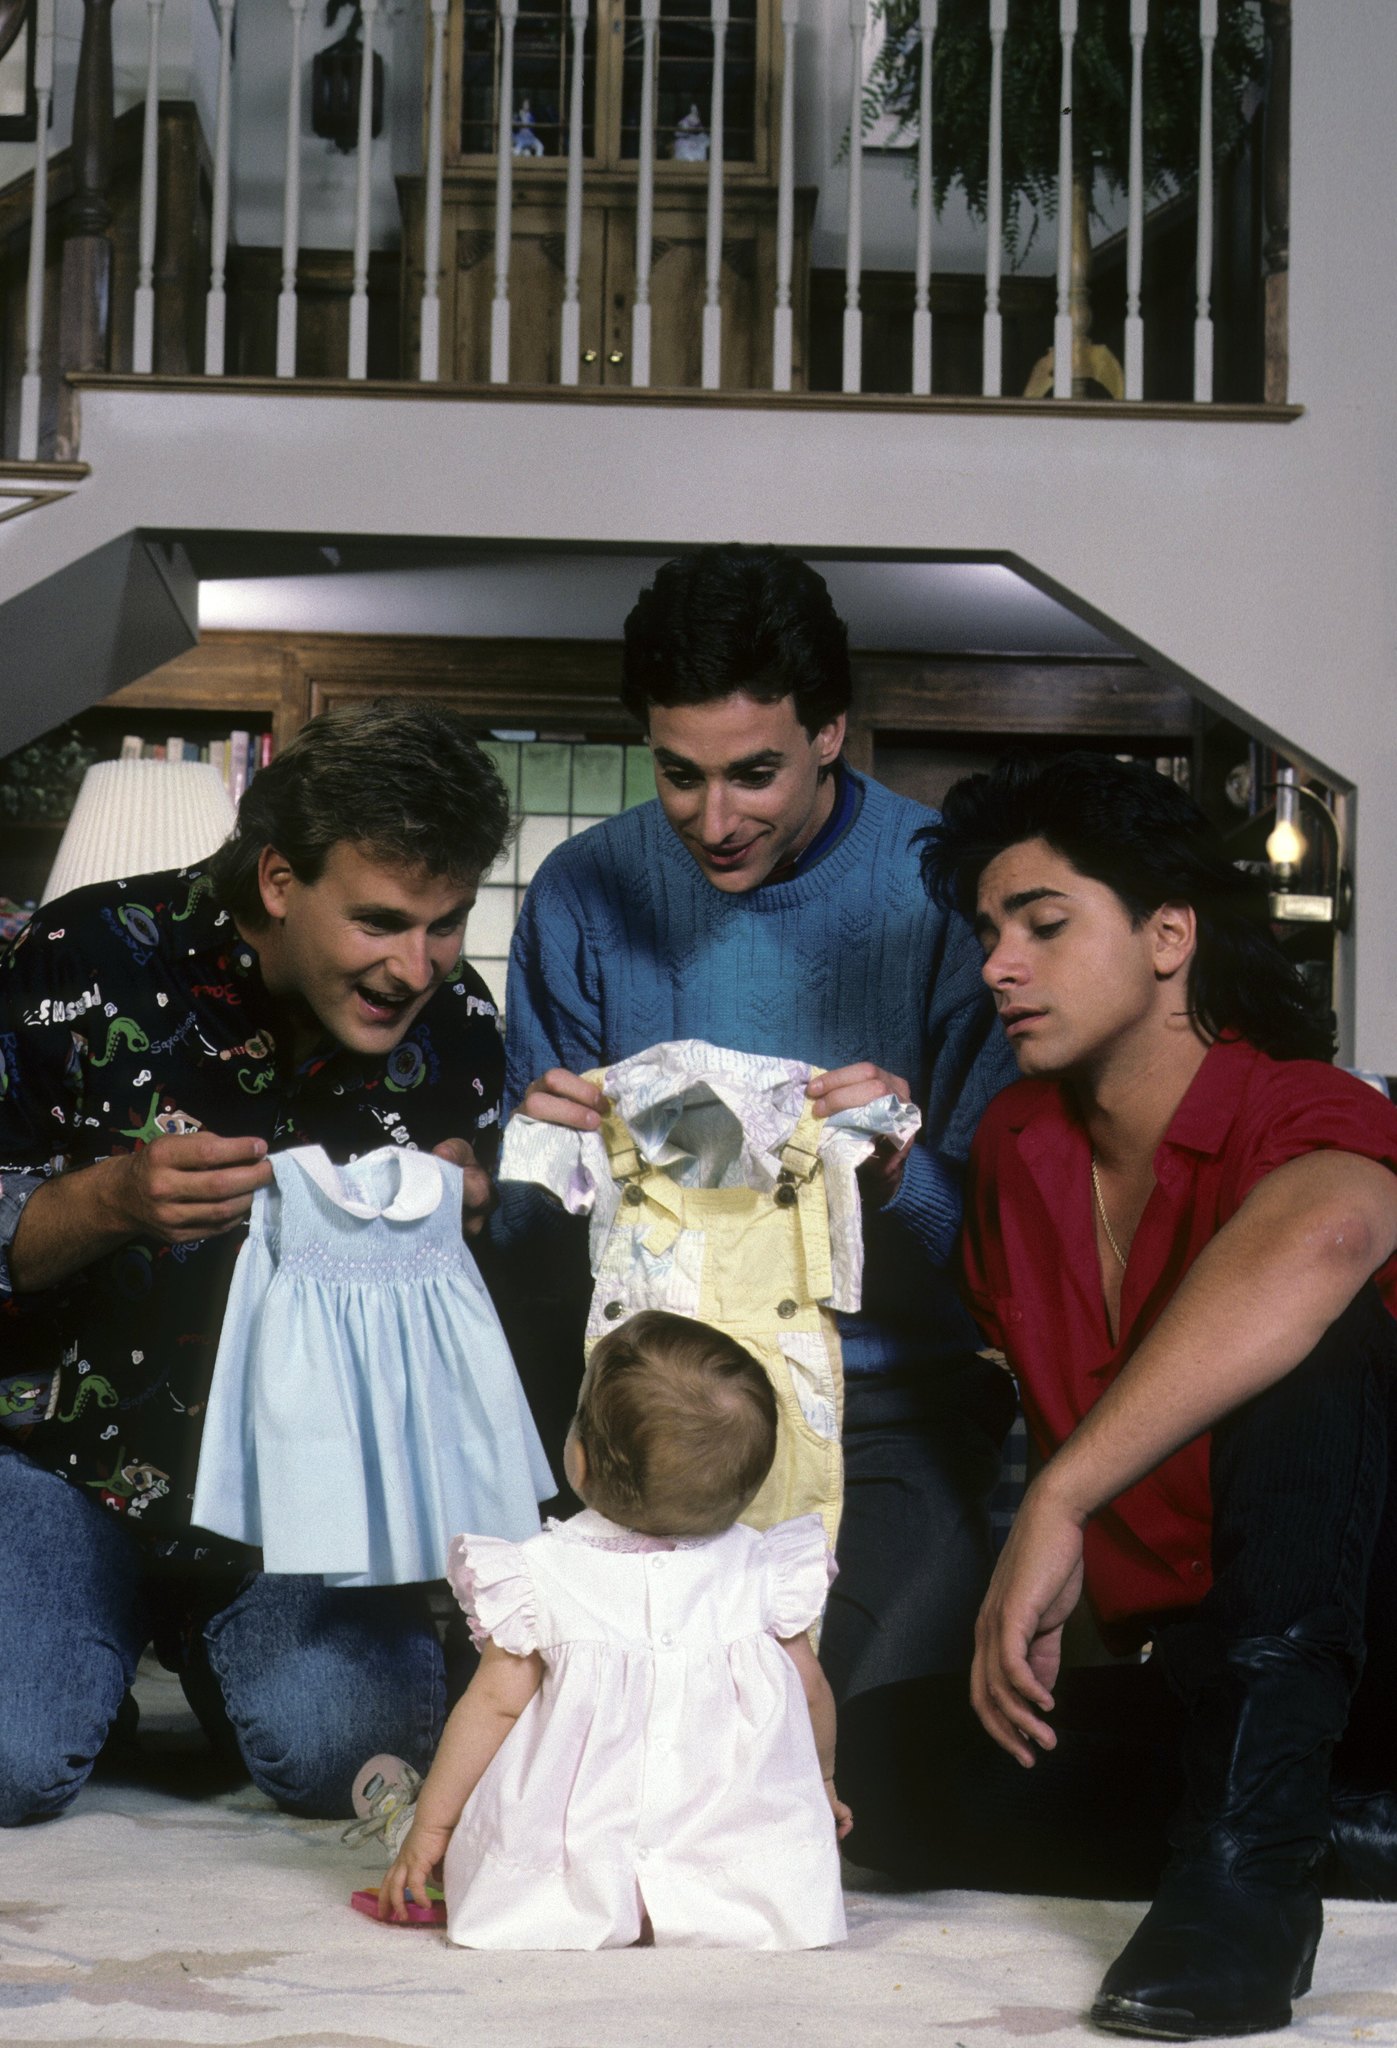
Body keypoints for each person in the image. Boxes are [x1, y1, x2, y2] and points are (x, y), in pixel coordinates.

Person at [842, 752, 1397, 2040]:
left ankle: (1248, 1877)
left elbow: (1322, 1239)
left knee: (1311, 1337)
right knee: (886, 1767)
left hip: (1374, 1629)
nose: (996, 964)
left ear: (1166, 933)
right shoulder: (1020, 1158)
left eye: (1042, 922)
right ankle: (1324, 1820)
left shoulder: (1299, 1104)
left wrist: (1060, 1497)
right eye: (986, 932)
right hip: (1207, 1667)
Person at [498, 543, 1018, 1703]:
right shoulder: (583, 890)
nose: (712, 817)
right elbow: (528, 1258)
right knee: (568, 1720)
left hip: (884, 1403)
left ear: (829, 730)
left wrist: (897, 1170)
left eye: (753, 773)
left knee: (844, 1731)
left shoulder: (943, 892)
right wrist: (535, 1160)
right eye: (679, 773)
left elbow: (998, 1259)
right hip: (638, 1400)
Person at [0, 702, 513, 1826]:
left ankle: (212, 1649)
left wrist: (470, 1211)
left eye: (446, 922)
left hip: (308, 1494)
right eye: (380, 920)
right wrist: (111, 1199)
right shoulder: (75, 952)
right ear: (279, 879)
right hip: (63, 1463)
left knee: (349, 1762)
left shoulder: (461, 1021)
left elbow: (472, 1320)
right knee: (11, 1764)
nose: (416, 964)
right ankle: (92, 1642)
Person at [375, 1308, 850, 1950]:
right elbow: (811, 1690)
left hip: (579, 1854)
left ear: (579, 1460)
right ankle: (720, 1893)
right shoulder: (763, 1572)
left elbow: (491, 1708)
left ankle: (585, 1896)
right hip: (732, 1853)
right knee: (759, 1821)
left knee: (536, 1820)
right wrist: (820, 1784)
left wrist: (432, 1825)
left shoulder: (542, 1577)